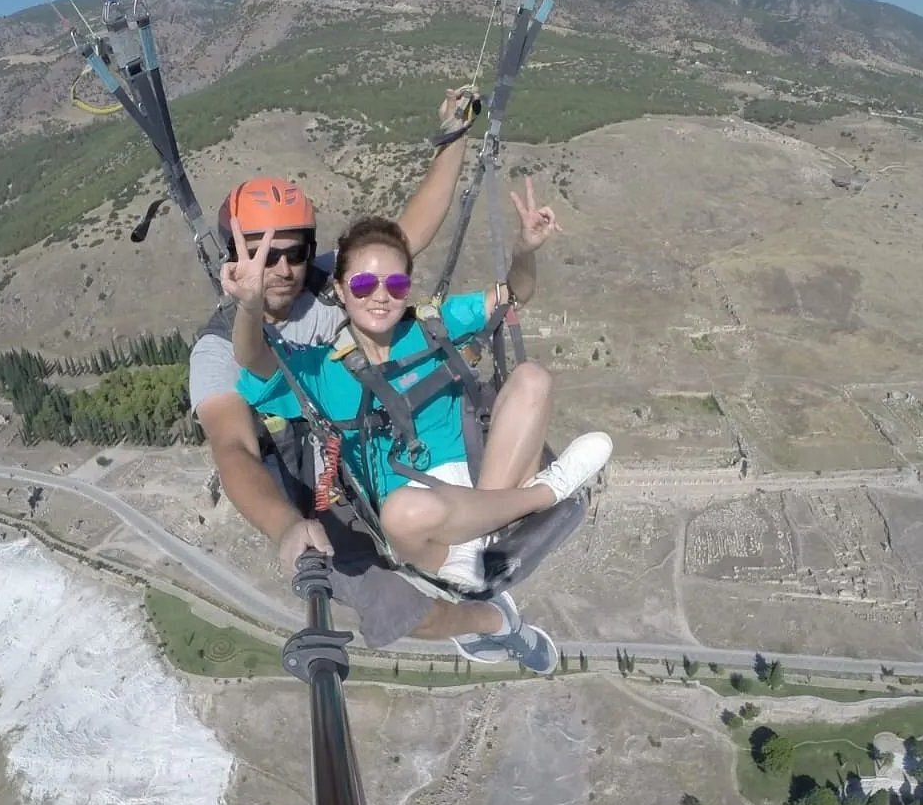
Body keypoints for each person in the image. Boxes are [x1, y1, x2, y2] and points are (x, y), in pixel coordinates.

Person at [224, 179, 613, 674]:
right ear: (341, 291)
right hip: (424, 535)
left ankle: (493, 526)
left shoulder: (434, 327)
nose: (381, 297)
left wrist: (524, 249)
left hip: (483, 489)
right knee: (404, 511)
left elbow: (515, 294)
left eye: (396, 284)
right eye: (364, 285)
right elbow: (255, 361)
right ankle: (548, 493)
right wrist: (250, 305)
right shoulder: (322, 371)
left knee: (532, 377)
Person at [188, 88, 475, 573]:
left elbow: (409, 234)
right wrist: (284, 525)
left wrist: (456, 135)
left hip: (390, 450)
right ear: (233, 260)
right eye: (260, 254)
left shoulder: (329, 283)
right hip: (321, 496)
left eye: (292, 252)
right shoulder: (217, 351)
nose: (278, 269)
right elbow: (232, 449)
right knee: (383, 601)